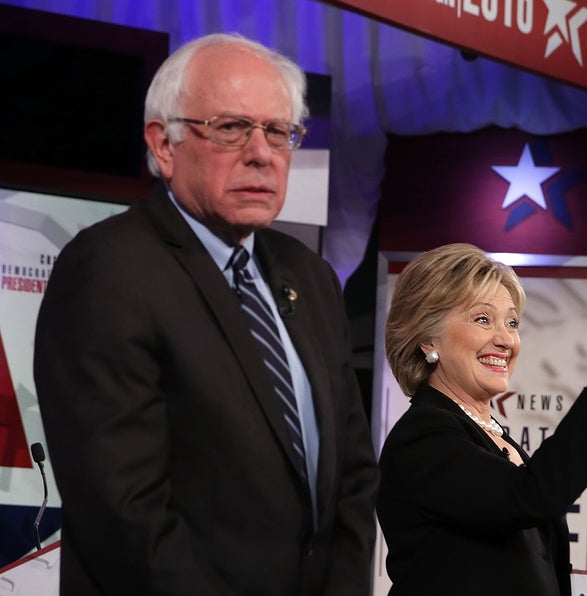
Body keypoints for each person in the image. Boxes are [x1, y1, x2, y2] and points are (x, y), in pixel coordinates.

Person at [33, 33, 379, 596]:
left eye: (278, 131)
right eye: (231, 128)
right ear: (164, 145)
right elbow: (124, 509)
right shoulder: (109, 269)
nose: (261, 152)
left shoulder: (311, 278)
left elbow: (354, 479)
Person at [377, 243, 587, 596]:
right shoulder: (423, 436)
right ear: (427, 337)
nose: (506, 339)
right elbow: (531, 497)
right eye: (482, 319)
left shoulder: (497, 440)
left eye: (512, 322)